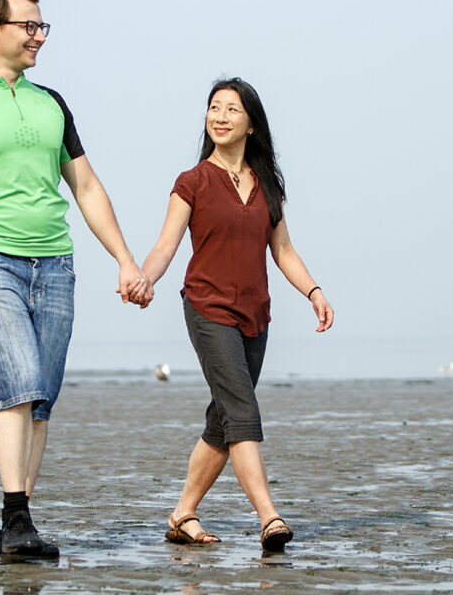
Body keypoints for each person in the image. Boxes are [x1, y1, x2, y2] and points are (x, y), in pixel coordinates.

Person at [0, 0, 149, 559]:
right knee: (18, 381)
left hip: (55, 262)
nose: (38, 35)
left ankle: (20, 524)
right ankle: (14, 517)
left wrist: (124, 258)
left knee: (39, 398)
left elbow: (87, 187)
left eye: (42, 27)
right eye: (29, 25)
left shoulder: (53, 104)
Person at [140, 77, 334, 551]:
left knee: (224, 422)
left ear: (251, 124)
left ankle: (182, 514)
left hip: (255, 315)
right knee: (243, 411)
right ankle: (269, 517)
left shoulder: (268, 186)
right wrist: (144, 278)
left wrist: (313, 290)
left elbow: (283, 250)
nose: (220, 116)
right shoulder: (193, 182)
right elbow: (166, 245)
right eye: (214, 108)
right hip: (207, 307)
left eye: (232, 109)